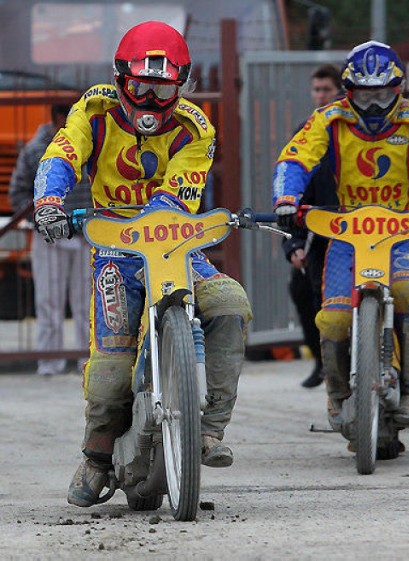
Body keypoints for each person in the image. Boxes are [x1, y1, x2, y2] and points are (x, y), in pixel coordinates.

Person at [33, 21, 252, 507]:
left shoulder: (197, 127)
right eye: (140, 88)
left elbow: (180, 195)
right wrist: (49, 200)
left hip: (175, 243)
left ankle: (209, 429)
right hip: (113, 246)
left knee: (231, 303)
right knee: (110, 364)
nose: (151, 102)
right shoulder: (92, 110)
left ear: (182, 85)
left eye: (163, 89)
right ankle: (96, 455)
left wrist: (159, 221)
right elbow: (62, 153)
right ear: (119, 80)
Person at [272, 41, 409, 441]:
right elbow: (293, 160)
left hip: (402, 231)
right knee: (332, 319)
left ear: (398, 89)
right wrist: (286, 199)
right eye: (364, 96)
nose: (373, 106)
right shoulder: (328, 119)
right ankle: (336, 394)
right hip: (345, 235)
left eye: (382, 95)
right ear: (348, 90)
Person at [10, 104, 92, 377]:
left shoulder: (91, 145)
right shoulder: (35, 150)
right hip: (49, 236)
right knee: (48, 301)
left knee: (88, 302)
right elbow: (18, 191)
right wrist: (39, 218)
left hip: (85, 235)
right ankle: (49, 363)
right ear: (57, 119)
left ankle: (89, 361)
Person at [282, 64, 341, 388]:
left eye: (326, 90)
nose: (320, 96)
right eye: (316, 90)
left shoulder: (350, 130)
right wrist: (292, 244)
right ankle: (324, 362)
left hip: (356, 227)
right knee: (304, 290)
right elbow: (292, 193)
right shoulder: (304, 133)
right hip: (316, 232)